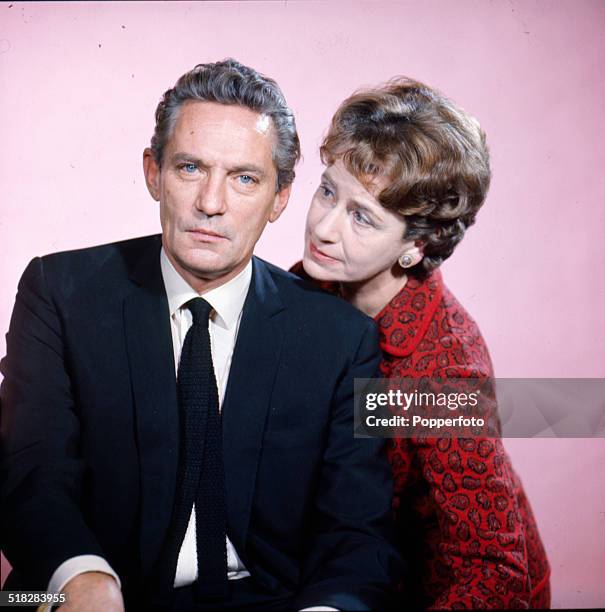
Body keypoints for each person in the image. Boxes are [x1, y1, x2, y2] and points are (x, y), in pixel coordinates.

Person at [0, 59, 401, 612]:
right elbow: (31, 470)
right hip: (82, 593)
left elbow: (357, 530)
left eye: (244, 178)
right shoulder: (60, 292)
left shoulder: (341, 339)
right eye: (190, 168)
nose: (211, 204)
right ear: (153, 172)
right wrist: (80, 576)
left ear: (280, 198)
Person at [293, 78, 550, 609]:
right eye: (327, 191)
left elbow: (495, 570)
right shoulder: (312, 283)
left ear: (414, 246)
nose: (323, 226)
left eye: (361, 216)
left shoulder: (443, 368)